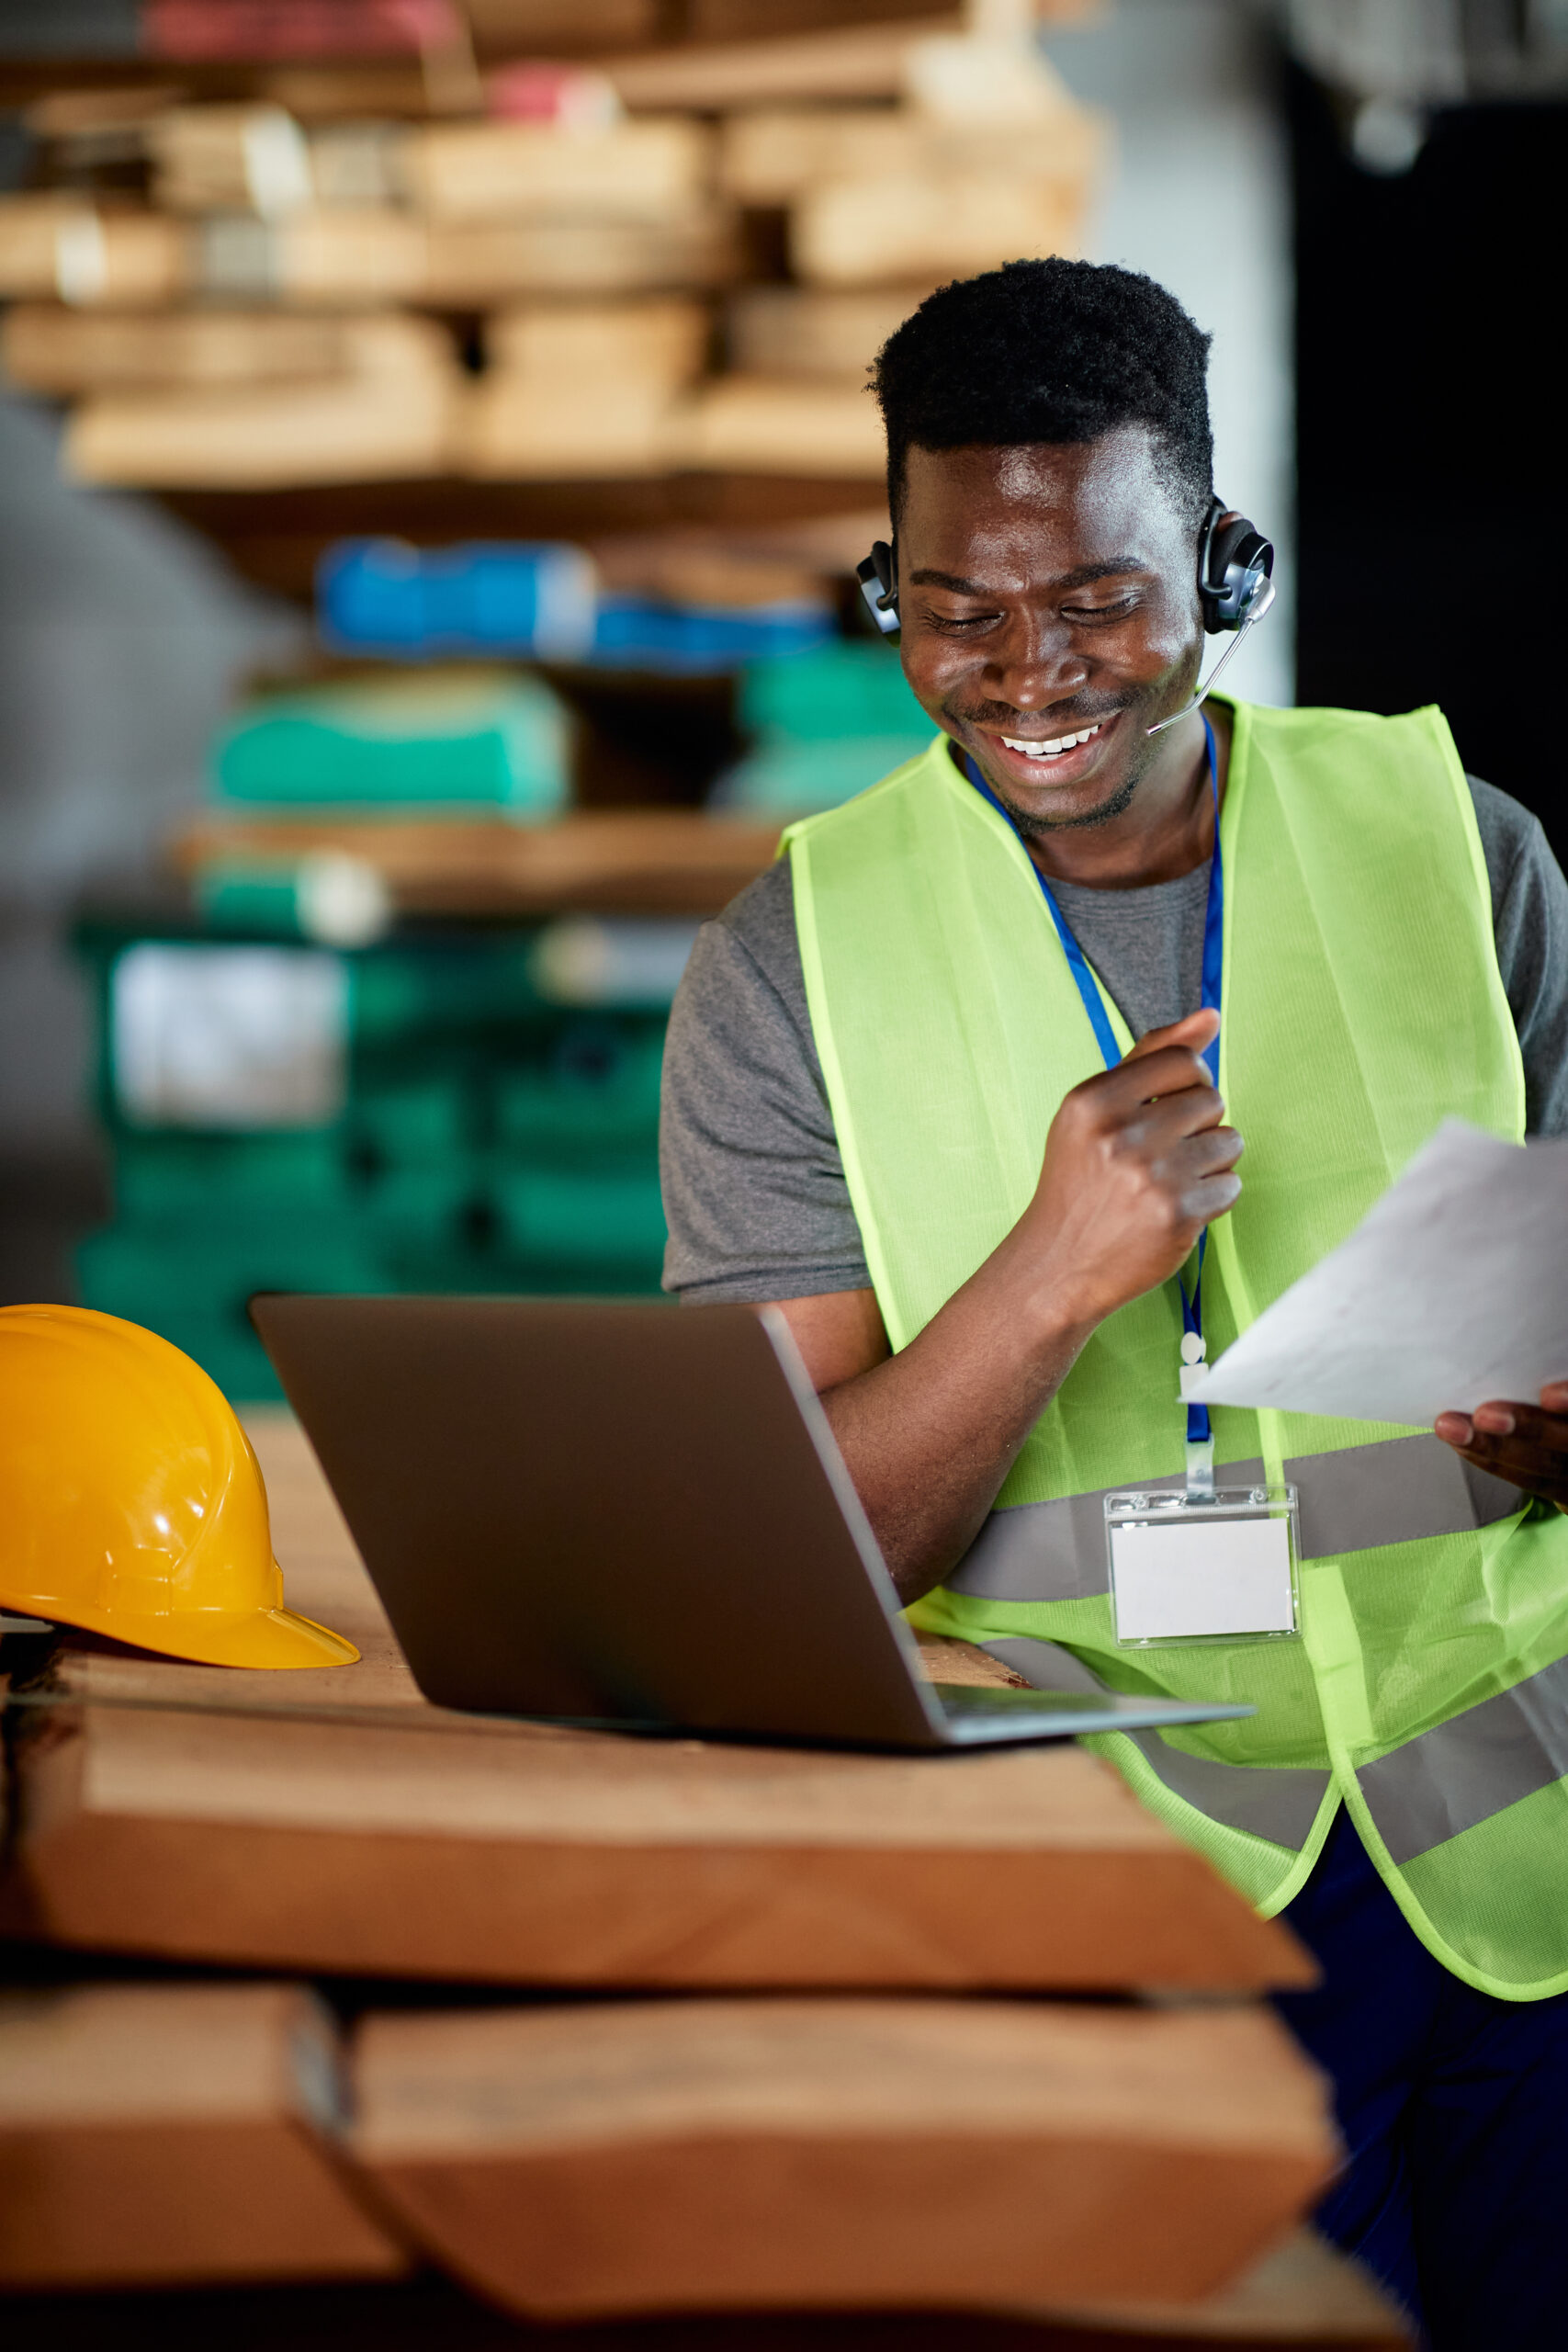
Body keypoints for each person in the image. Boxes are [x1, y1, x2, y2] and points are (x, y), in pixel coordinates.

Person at [659, 258, 1568, 2347]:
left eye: (1094, 598)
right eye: (952, 608)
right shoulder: (785, 966)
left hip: (1516, 1871)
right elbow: (792, 1573)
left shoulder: (1464, 849)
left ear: (1221, 563)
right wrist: (1046, 1281)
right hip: (1136, 1891)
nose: (1023, 669)